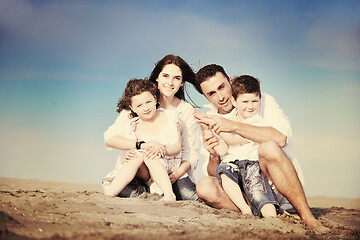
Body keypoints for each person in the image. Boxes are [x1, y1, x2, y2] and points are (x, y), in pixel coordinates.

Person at [192, 64, 328, 232]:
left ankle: (307, 216)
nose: (220, 97)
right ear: (206, 97)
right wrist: (213, 154)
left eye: (222, 87)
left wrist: (232, 126)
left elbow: (280, 138)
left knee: (268, 147)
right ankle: (260, 209)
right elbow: (215, 173)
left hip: (273, 181)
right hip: (240, 188)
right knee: (204, 186)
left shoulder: (259, 100)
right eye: (212, 93)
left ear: (230, 81)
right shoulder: (211, 120)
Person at [103, 54, 200, 201]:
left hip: (171, 170)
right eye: (165, 76)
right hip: (139, 170)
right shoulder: (138, 102)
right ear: (157, 77)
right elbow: (110, 138)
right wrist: (138, 146)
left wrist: (179, 171)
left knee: (189, 195)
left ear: (182, 82)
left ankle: (164, 193)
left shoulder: (184, 111)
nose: (170, 82)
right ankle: (145, 192)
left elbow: (190, 153)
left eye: (177, 78)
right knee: (127, 185)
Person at [197, 75, 278, 217]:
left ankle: (271, 216)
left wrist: (216, 127)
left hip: (252, 165)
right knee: (224, 172)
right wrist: (208, 135)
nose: (250, 105)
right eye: (212, 93)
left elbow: (234, 139)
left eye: (254, 101)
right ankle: (245, 209)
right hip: (234, 166)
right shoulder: (228, 119)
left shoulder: (255, 119)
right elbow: (223, 149)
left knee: (258, 191)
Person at [103, 78, 180, 202]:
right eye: (139, 105)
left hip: (163, 167)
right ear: (132, 108)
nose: (145, 108)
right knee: (139, 154)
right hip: (143, 173)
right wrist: (131, 152)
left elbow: (177, 147)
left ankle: (169, 195)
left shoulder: (170, 117)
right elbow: (118, 142)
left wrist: (160, 150)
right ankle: (109, 194)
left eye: (148, 102)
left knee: (150, 154)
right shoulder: (133, 125)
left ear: (155, 98)